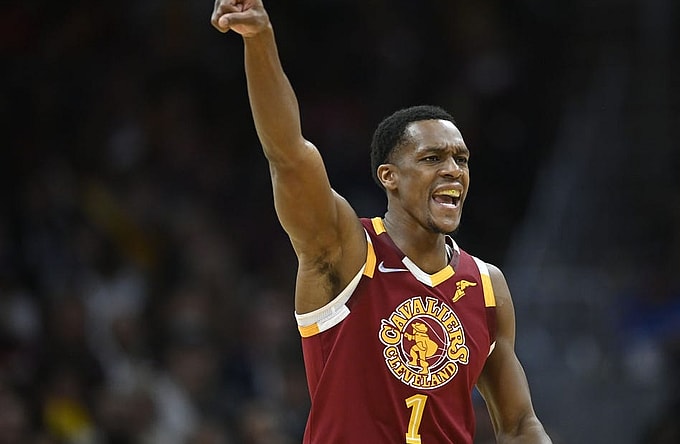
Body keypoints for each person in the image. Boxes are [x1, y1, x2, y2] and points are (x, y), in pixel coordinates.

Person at [210, 1, 552, 442]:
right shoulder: (344, 250)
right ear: (389, 177)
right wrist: (259, 40)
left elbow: (520, 423)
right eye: (432, 158)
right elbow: (289, 155)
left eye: (461, 159)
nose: (453, 169)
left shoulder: (487, 285)